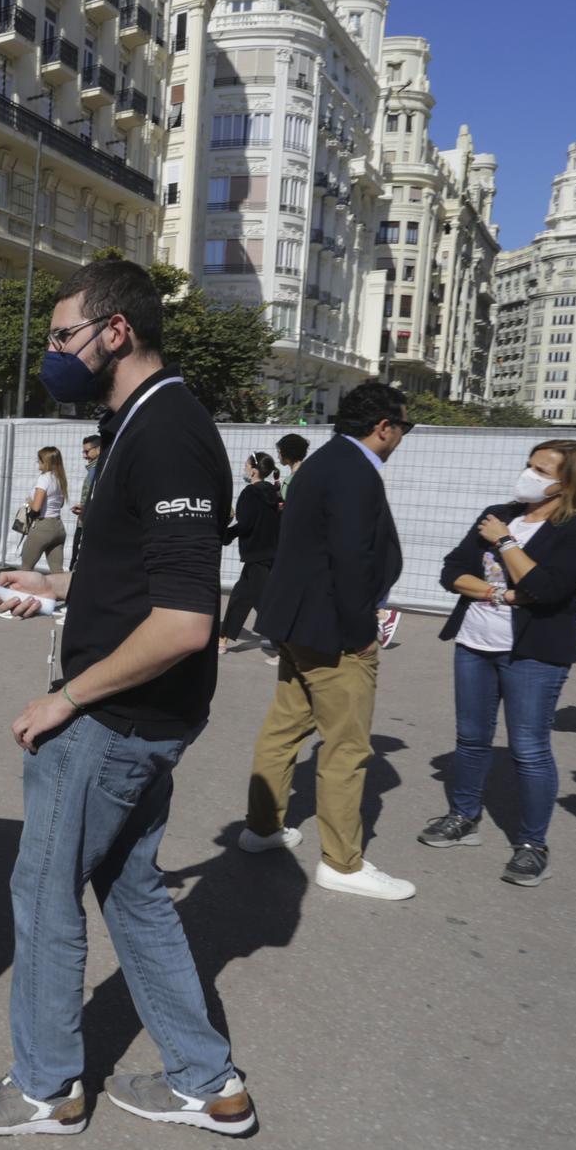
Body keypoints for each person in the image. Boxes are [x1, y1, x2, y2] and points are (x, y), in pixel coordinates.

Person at [0, 259, 256, 1140]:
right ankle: (209, 1081)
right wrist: (54, 587)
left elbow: (188, 619)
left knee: (43, 894)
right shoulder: (138, 423)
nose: (52, 352)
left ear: (115, 332)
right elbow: (136, 577)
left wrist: (65, 700)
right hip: (141, 716)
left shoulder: (168, 434)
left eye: (62, 335)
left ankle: (47, 1087)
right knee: (132, 890)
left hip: (117, 720)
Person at [240, 382, 412, 901]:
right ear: (383, 426)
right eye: (404, 427)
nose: (403, 436)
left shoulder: (320, 461)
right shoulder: (356, 470)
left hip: (296, 624)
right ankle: (342, 861)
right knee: (347, 746)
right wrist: (361, 633)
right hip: (334, 632)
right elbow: (352, 559)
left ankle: (263, 827)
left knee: (285, 727)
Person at [421, 440, 576, 887]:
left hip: (534, 652)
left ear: (568, 482)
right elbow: (452, 571)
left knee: (529, 748)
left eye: (541, 469)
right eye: (529, 465)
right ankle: (463, 817)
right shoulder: (498, 512)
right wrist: (494, 593)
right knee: (471, 738)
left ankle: (531, 844)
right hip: (475, 642)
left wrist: (504, 543)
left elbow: (545, 588)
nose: (528, 474)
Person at [220, 451, 283, 660]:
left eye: (247, 465)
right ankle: (223, 640)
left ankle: (284, 648)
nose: (245, 469)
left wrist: (226, 533)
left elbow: (245, 525)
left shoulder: (250, 493)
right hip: (269, 553)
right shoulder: (274, 492)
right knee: (240, 596)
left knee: (263, 602)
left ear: (254, 470)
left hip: (256, 555)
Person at [19, 447, 69, 572]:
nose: (38, 462)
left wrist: (30, 501)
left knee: (26, 567)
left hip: (43, 526)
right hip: (58, 526)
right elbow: (61, 503)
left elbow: (36, 507)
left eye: (40, 460)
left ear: (46, 462)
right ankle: (64, 591)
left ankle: (20, 591)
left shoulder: (44, 478)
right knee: (57, 570)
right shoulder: (59, 478)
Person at [66, 434, 102, 570]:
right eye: (83, 451)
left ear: (99, 449)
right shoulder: (93, 469)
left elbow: (98, 497)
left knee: (80, 563)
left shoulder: (98, 469)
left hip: (89, 523)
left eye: (87, 451)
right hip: (85, 519)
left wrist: (86, 509)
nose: (84, 456)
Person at [276, 432, 309, 496]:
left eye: (279, 452)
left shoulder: (289, 482)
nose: (278, 457)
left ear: (286, 453)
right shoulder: (310, 474)